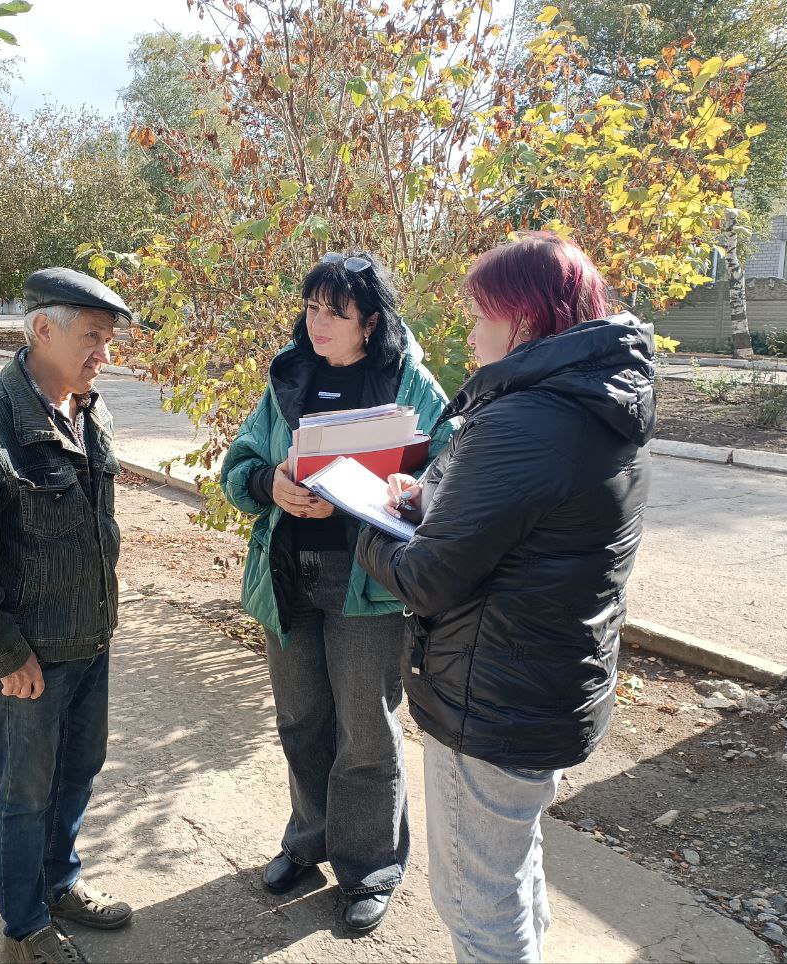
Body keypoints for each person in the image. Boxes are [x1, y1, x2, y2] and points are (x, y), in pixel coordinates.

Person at [357, 231, 656, 962]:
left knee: (476, 900)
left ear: (524, 317)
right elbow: (523, 528)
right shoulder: (591, 400)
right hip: (546, 683)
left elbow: (426, 577)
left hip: (491, 698)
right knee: (512, 871)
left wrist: (362, 524)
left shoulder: (527, 419)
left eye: (480, 313)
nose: (468, 331)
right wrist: (428, 500)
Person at [219, 251, 455, 934]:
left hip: (369, 587)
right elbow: (241, 465)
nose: (317, 322)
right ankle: (308, 843)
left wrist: (411, 494)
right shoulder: (290, 377)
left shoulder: (406, 382)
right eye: (311, 307)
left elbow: (451, 464)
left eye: (335, 311)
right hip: (290, 578)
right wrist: (273, 487)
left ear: (370, 321)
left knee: (366, 733)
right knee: (301, 722)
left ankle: (369, 868)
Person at [0, 268, 134, 964]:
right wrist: (4, 655)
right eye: (91, 337)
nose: (102, 353)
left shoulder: (88, 409)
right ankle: (25, 928)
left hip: (90, 639)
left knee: (78, 771)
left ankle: (60, 883)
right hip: (32, 660)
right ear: (42, 330)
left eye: (107, 340)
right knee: (25, 793)